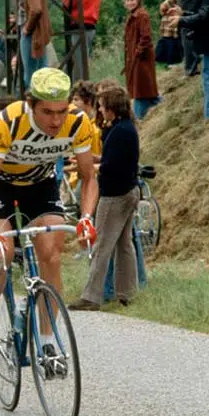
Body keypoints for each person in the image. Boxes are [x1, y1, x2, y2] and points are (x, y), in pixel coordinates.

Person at [0, 68, 98, 367]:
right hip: (3, 185)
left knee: (51, 255)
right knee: (1, 253)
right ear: (31, 105)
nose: (56, 121)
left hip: (41, 186)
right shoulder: (8, 121)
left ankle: (47, 343)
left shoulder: (78, 122)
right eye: (47, 112)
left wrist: (86, 217)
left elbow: (88, 176)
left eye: (61, 111)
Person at [70, 87, 140, 310]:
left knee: (100, 245)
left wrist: (89, 166)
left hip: (114, 196)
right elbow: (113, 159)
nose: (99, 109)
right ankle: (127, 292)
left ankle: (91, 296)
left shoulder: (120, 131)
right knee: (124, 243)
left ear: (111, 108)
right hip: (129, 191)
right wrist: (93, 158)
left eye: (102, 106)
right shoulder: (125, 128)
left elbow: (111, 166)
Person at [123, 0, 160, 119]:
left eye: (132, 0)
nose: (129, 3)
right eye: (127, 0)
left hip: (142, 58)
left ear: (138, 0)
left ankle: (137, 119)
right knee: (145, 89)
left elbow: (146, 37)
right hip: (136, 58)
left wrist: (138, 52)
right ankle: (159, 105)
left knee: (140, 89)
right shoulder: (132, 16)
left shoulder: (141, 15)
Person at [58, 0, 102, 81]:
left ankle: (80, 91)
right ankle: (76, 89)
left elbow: (70, 3)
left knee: (79, 67)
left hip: (80, 22)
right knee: (78, 65)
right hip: (90, 22)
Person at [21, 0, 52, 89]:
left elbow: (36, 10)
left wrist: (27, 28)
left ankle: (34, 103)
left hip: (32, 34)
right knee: (43, 72)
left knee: (31, 76)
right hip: (40, 33)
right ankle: (45, 102)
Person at [156, 0, 184, 67]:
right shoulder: (167, 2)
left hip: (176, 24)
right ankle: (168, 62)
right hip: (168, 25)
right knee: (168, 43)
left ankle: (176, 60)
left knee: (176, 42)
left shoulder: (180, 1)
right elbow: (162, 10)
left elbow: (181, 12)